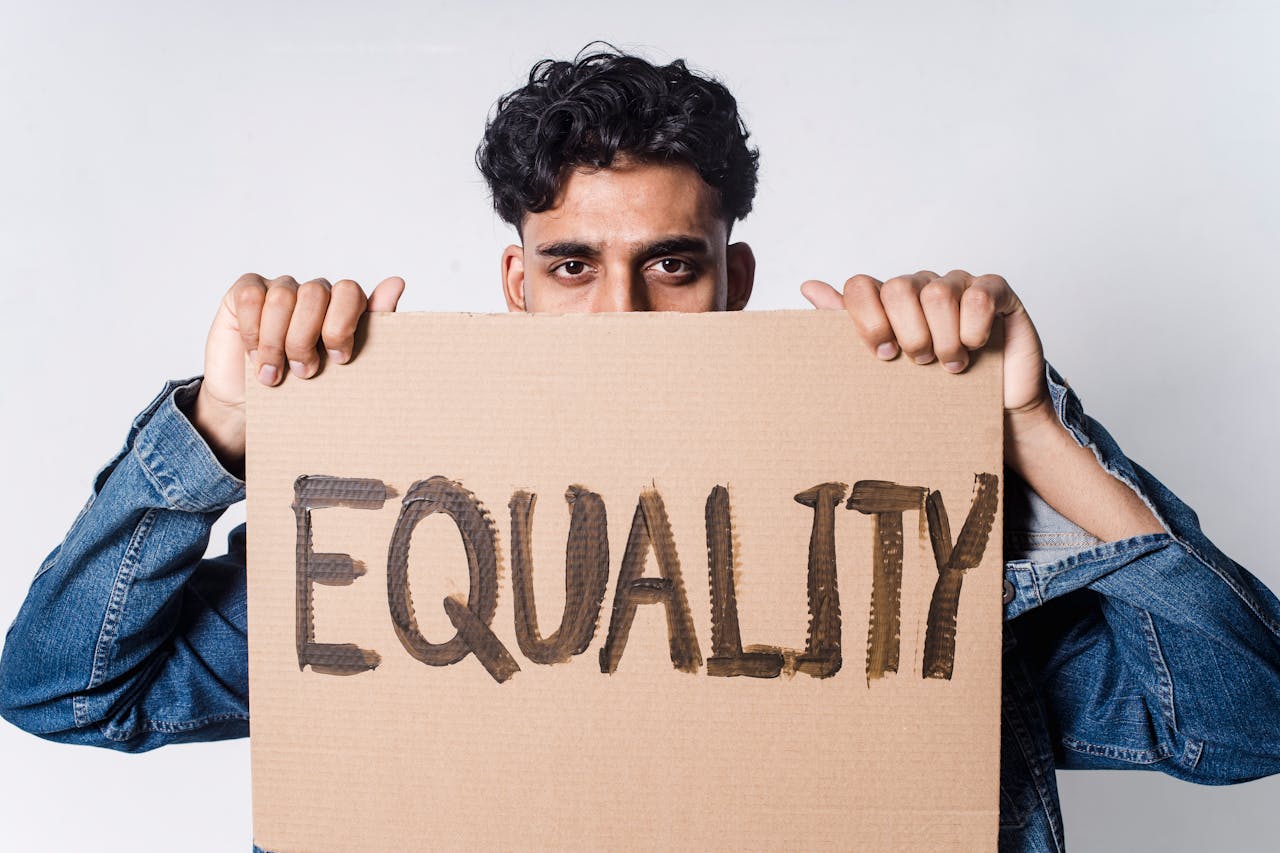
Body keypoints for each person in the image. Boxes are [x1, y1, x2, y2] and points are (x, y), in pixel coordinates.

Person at [2, 45, 1278, 853]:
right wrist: (221, 426)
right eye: (572, 264)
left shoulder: (901, 561)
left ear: (733, 277)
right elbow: (63, 689)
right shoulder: (401, 566)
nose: (618, 312)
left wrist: (1027, 432)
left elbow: (1243, 727)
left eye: (668, 263)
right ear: (516, 280)